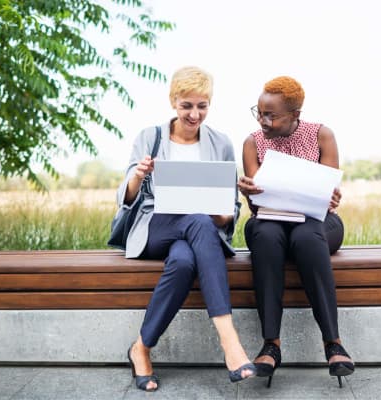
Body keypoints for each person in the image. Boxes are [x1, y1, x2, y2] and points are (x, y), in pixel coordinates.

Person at [117, 66, 256, 392]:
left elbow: (229, 209)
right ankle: (230, 342)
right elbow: (126, 197)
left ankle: (141, 348)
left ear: (210, 103)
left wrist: (222, 216)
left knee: (184, 261)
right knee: (196, 220)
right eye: (187, 106)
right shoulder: (149, 137)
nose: (195, 114)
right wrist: (138, 174)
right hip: (155, 227)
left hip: (197, 235)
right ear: (173, 103)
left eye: (202, 105)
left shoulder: (221, 142)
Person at [237, 76, 354, 388]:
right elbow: (257, 205)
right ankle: (271, 345)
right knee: (266, 235)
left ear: (295, 115)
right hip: (270, 223)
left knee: (304, 237)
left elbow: (329, 194)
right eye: (259, 112)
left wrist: (332, 194)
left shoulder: (321, 135)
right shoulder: (252, 142)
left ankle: (333, 343)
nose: (263, 120)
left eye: (271, 115)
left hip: (317, 223)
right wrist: (248, 191)